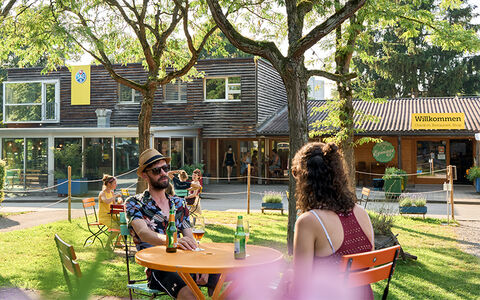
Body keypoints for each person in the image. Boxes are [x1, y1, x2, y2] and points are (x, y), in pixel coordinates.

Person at [125, 149, 218, 299]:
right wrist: (173, 241)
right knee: (192, 295)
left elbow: (190, 237)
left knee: (224, 278)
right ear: (144, 175)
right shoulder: (134, 203)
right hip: (158, 267)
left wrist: (202, 262)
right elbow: (143, 233)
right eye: (156, 170)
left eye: (165, 169)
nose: (163, 173)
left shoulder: (179, 203)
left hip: (184, 262)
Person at [290, 142, 374, 299]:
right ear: (339, 175)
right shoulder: (362, 213)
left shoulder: (309, 222)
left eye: (296, 173)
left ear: (305, 179)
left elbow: (301, 286)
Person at [98, 174, 122, 250]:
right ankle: (107, 245)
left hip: (111, 215)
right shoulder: (102, 193)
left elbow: (114, 205)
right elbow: (107, 201)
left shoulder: (111, 192)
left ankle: (117, 242)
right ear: (109, 184)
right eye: (114, 183)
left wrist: (119, 202)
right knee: (116, 228)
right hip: (104, 217)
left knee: (125, 224)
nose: (116, 185)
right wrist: (115, 196)